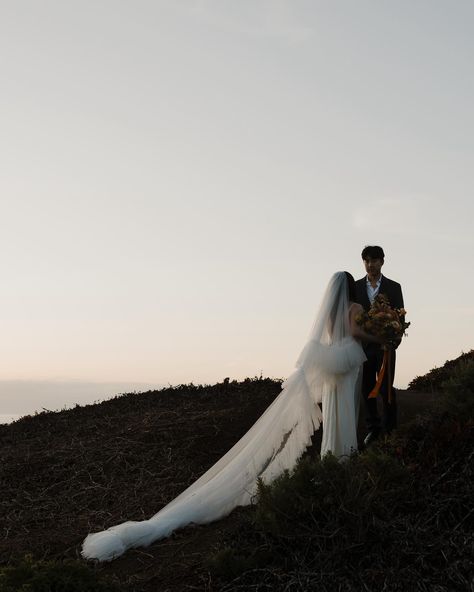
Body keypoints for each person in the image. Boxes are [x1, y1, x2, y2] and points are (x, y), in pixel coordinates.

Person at [82, 272, 382, 562]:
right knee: (345, 412)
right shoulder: (354, 308)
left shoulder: (330, 314)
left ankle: (336, 456)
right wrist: (380, 337)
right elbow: (355, 332)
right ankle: (343, 458)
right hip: (347, 369)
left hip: (336, 371)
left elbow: (337, 335)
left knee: (334, 415)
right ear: (349, 289)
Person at [355, 246, 405, 446]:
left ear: (382, 262)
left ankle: (391, 429)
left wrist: (394, 340)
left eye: (374, 260)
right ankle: (373, 429)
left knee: (386, 388)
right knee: (367, 387)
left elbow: (400, 315)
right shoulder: (357, 287)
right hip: (364, 347)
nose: (370, 264)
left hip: (386, 348)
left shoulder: (394, 287)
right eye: (367, 260)